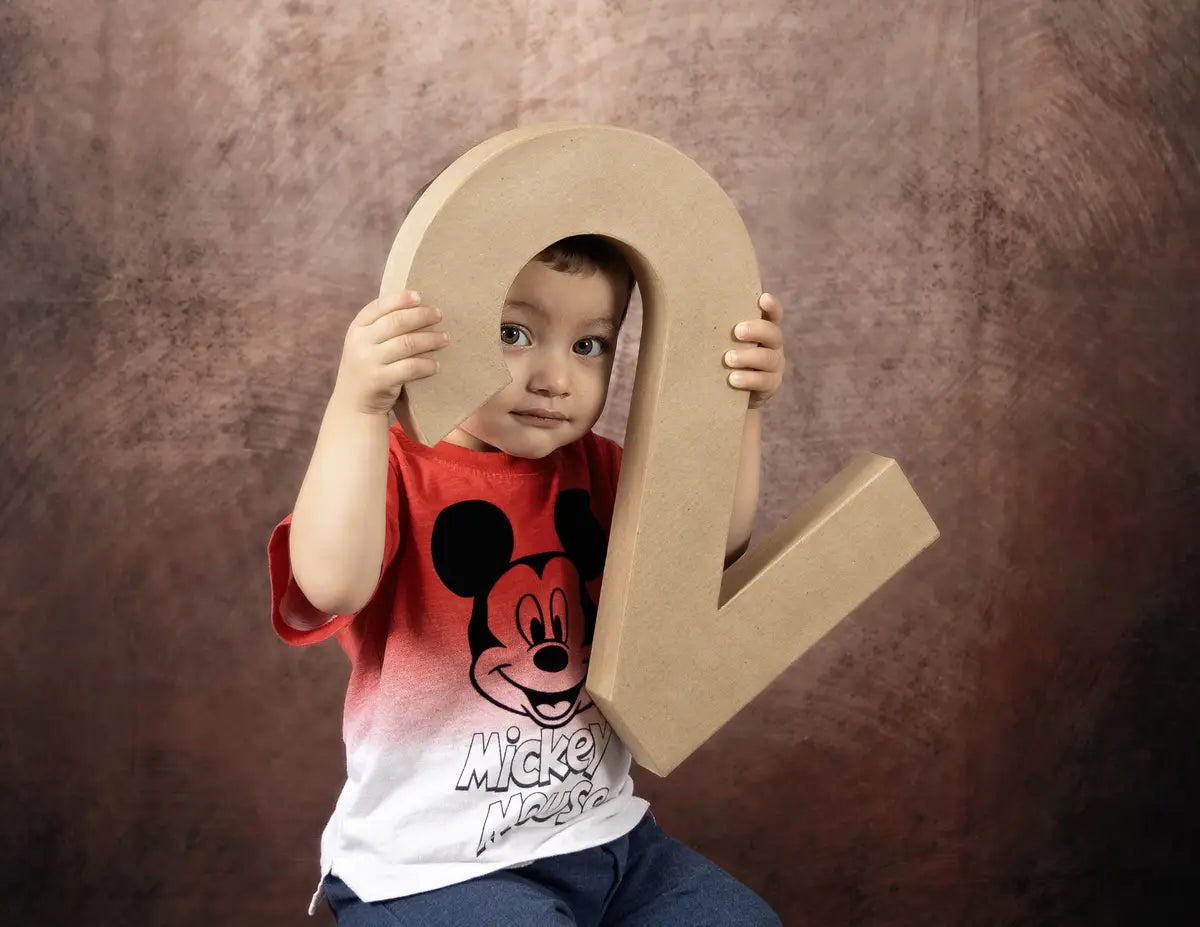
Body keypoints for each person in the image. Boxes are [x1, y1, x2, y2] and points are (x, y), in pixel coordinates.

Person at [267, 229, 787, 925]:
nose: (555, 377)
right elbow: (331, 582)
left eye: (589, 345)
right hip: (434, 867)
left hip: (607, 838)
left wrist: (741, 410)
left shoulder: (600, 469)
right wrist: (357, 406)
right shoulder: (396, 470)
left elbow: (709, 548)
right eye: (515, 332)